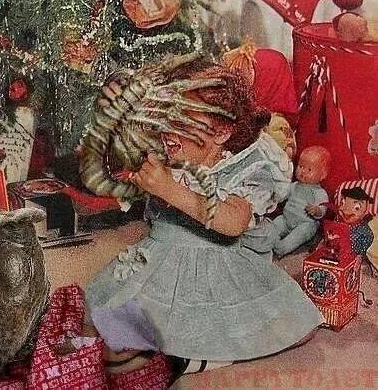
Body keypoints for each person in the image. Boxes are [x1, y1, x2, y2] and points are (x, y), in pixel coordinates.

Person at [84, 62, 323, 382]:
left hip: (218, 265)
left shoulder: (241, 169)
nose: (169, 133)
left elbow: (234, 222)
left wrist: (170, 189)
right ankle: (165, 352)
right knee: (110, 329)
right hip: (160, 259)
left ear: (222, 132)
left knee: (281, 326)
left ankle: (196, 360)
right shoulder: (170, 158)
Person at [272, 146, 331, 257]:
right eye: (300, 166)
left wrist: (317, 210)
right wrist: (276, 194)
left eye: (309, 169)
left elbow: (323, 207)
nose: (302, 171)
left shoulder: (319, 192)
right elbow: (283, 194)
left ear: (322, 175)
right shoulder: (294, 186)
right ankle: (268, 242)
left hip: (306, 223)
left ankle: (282, 248)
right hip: (286, 219)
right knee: (274, 225)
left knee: (299, 234)